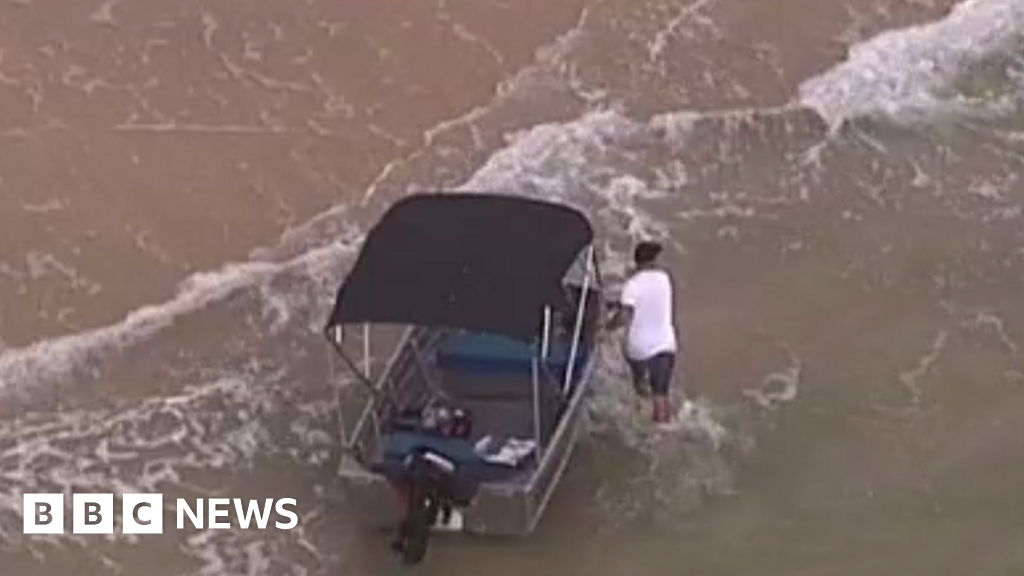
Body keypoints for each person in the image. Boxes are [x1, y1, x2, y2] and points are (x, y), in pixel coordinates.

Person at [606, 241, 683, 424]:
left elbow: (626, 314)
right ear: (653, 260)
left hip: (638, 348)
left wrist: (607, 327)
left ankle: (640, 405)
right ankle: (662, 428)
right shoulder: (665, 279)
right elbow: (648, 298)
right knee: (661, 394)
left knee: (640, 381)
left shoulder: (631, 286)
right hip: (665, 344)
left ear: (636, 262)